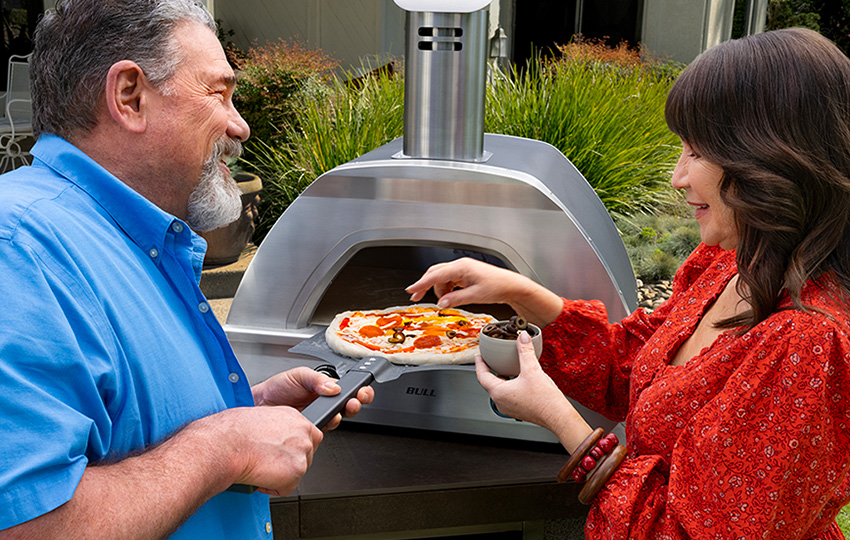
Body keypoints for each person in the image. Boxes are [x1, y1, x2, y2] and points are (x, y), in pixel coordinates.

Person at [407, 27, 850, 539]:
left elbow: (679, 533)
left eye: (697, 153)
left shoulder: (808, 345)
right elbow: (636, 368)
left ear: (770, 160)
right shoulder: (729, 261)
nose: (678, 178)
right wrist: (518, 290)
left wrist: (562, 422)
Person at [0, 0, 373, 538]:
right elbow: (28, 526)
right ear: (130, 96)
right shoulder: (18, 250)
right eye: (218, 94)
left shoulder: (132, 236)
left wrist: (246, 412)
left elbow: (124, 431)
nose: (240, 126)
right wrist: (225, 447)